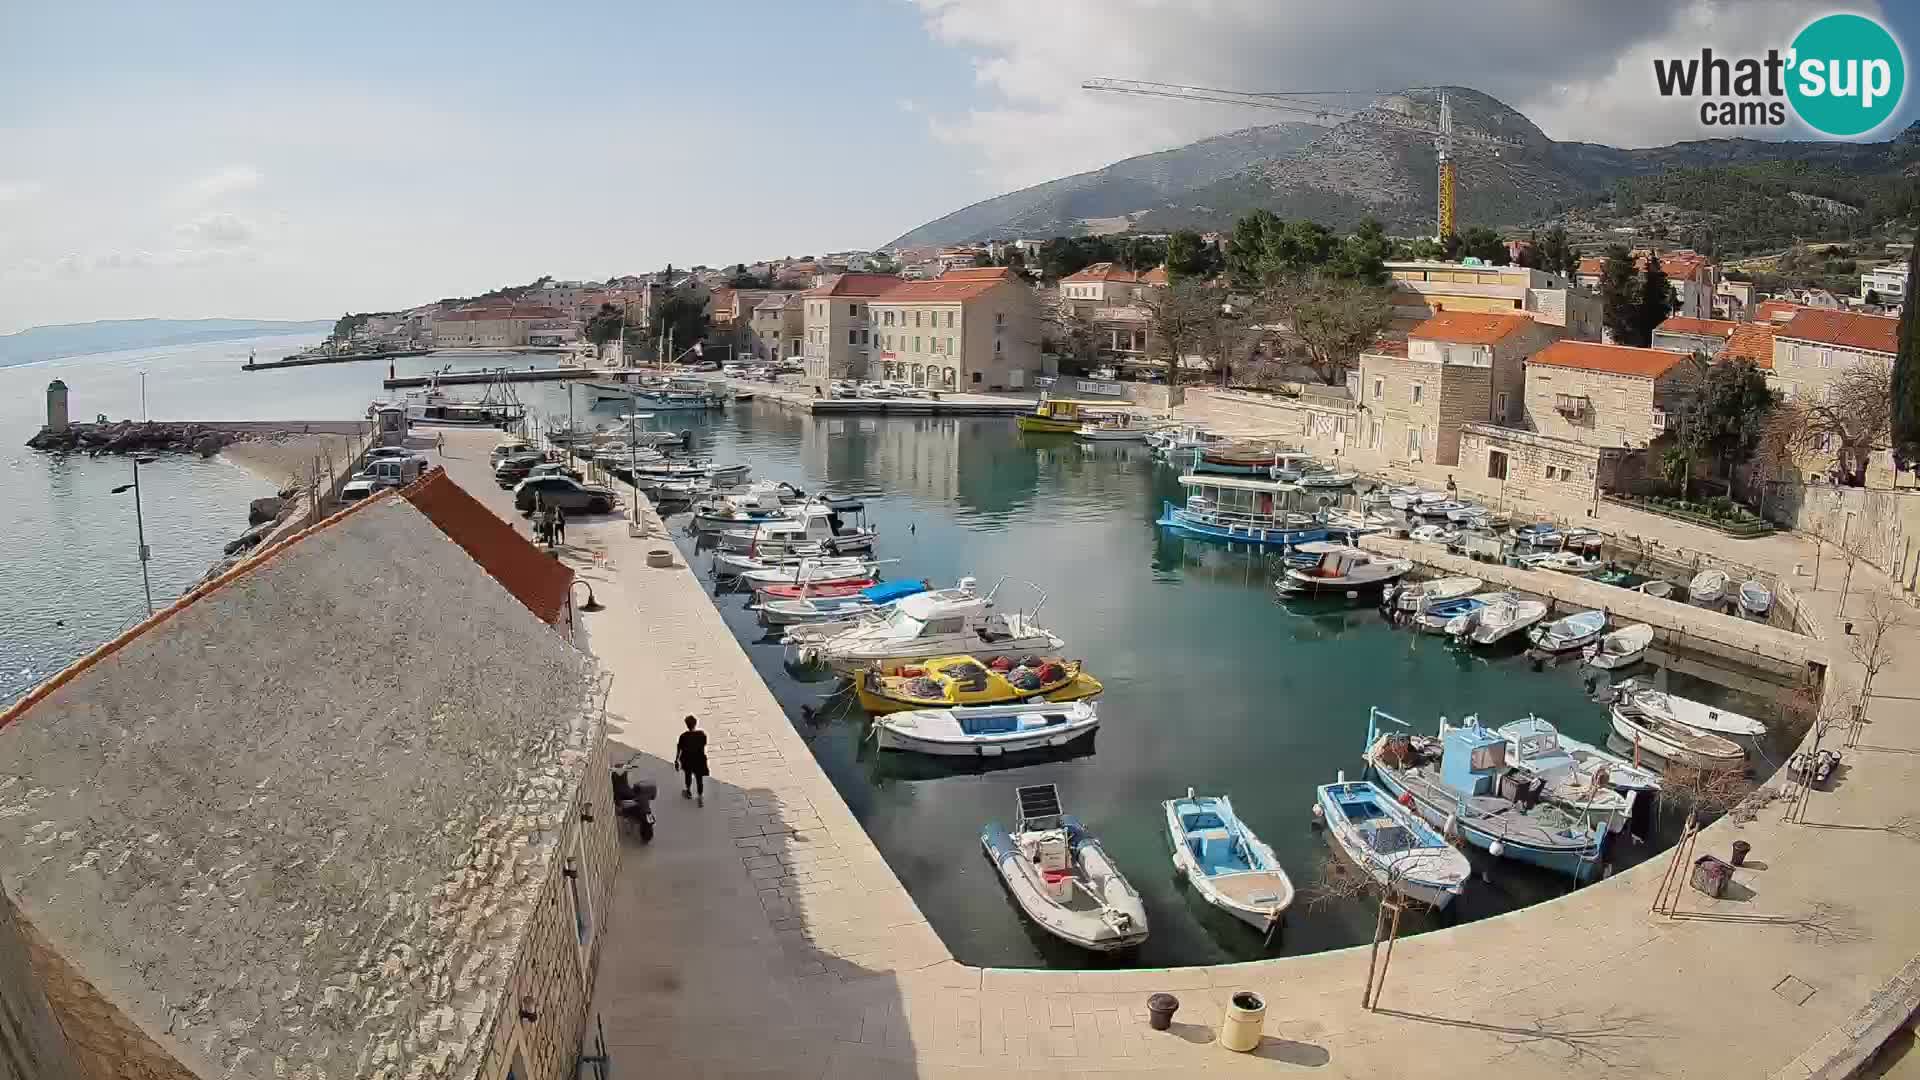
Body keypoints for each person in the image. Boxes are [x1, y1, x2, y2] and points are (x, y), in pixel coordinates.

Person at [674, 715, 709, 805]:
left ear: (686, 725)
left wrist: (676, 759)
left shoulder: (683, 736)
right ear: (695, 723)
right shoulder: (701, 734)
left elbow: (679, 749)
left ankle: (688, 792)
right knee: (699, 778)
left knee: (688, 776)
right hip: (699, 760)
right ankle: (700, 797)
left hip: (687, 760)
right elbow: (704, 744)